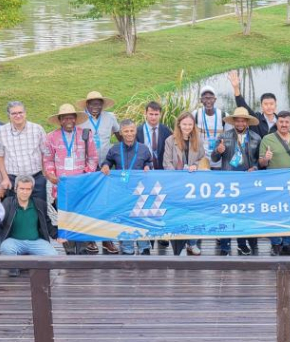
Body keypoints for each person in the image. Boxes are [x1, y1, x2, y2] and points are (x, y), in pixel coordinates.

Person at [42, 103, 99, 254]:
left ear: (75, 119)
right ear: (60, 120)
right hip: (61, 186)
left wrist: (86, 175)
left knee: (81, 216)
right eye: (65, 118)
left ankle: (81, 248)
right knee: (64, 218)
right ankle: (69, 250)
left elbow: (93, 157)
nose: (69, 120)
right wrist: (51, 174)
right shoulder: (51, 138)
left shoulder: (86, 134)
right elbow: (47, 160)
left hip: (81, 186)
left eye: (71, 117)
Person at [212, 107, 262, 256]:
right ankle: (225, 246)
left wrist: (255, 167)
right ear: (234, 121)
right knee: (226, 212)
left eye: (243, 120)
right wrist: (218, 151)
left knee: (243, 213)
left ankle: (242, 243)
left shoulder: (256, 138)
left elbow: (259, 161)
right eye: (237, 120)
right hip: (228, 180)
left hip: (247, 181)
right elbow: (214, 159)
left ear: (247, 122)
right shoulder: (223, 136)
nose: (240, 123)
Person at [0, 175, 58, 275]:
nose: (25, 192)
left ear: (32, 190)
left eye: (28, 189)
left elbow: (47, 223)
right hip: (15, 241)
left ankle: (28, 264)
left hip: (35, 241)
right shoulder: (8, 203)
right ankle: (15, 268)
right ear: (16, 189)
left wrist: (57, 236)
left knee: (54, 256)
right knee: (6, 248)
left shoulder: (39, 203)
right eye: (22, 189)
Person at [103, 120, 155, 255]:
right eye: (126, 131)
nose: (129, 134)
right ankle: (127, 247)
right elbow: (107, 160)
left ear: (135, 131)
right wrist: (106, 165)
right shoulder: (114, 149)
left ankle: (144, 246)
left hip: (140, 191)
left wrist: (148, 166)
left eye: (131, 130)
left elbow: (149, 161)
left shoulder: (143, 148)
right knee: (125, 218)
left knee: (141, 218)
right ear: (121, 132)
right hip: (122, 191)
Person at [257, 110, 290, 256]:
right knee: (274, 213)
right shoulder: (267, 139)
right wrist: (266, 158)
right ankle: (275, 243)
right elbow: (261, 163)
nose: (284, 125)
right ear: (277, 122)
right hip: (273, 183)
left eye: (287, 122)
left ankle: (287, 244)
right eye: (281, 122)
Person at [162, 113, 205, 256]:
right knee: (177, 215)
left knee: (193, 214)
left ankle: (192, 243)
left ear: (193, 126)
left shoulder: (198, 141)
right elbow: (166, 162)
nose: (187, 127)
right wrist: (176, 176)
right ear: (179, 124)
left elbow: (203, 159)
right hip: (176, 184)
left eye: (190, 124)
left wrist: (196, 166)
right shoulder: (170, 140)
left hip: (193, 184)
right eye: (184, 124)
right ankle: (178, 248)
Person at [0, 100, 48, 202]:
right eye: (14, 113)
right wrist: (5, 178)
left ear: (25, 113)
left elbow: (45, 152)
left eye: (20, 112)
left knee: (40, 210)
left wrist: (44, 174)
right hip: (13, 179)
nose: (18, 116)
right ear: (8, 115)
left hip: (36, 178)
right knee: (15, 212)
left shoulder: (37, 129)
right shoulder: (1, 132)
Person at [229, 70, 279, 138]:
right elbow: (243, 106)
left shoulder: (280, 120)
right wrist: (236, 88)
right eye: (266, 104)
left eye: (271, 104)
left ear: (276, 104)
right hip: (256, 148)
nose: (269, 107)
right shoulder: (256, 119)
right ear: (261, 106)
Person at [193, 85, 227, 169]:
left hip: (219, 161)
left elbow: (230, 137)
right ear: (201, 100)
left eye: (210, 98)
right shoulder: (195, 115)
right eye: (205, 98)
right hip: (201, 160)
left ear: (215, 99)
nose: (208, 101)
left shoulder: (224, 116)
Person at [135, 101, 172, 171]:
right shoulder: (138, 131)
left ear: (160, 115)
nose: (153, 117)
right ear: (145, 113)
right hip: (144, 170)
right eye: (151, 114)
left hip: (161, 170)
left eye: (156, 114)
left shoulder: (166, 131)